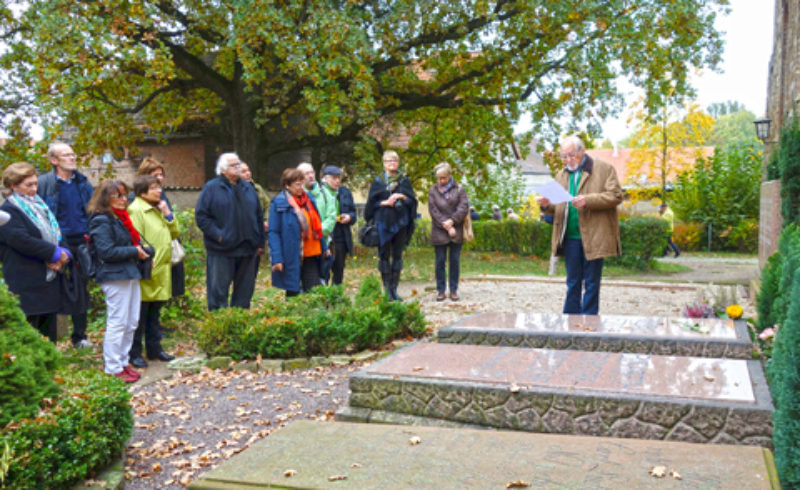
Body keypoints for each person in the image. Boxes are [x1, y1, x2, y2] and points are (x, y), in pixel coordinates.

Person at [538, 135, 622, 315]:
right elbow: (559, 204)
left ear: (582, 151)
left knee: (591, 282)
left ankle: (589, 322)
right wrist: (547, 205)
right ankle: (569, 320)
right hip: (570, 237)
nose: (568, 160)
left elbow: (616, 195)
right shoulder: (562, 174)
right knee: (572, 281)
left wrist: (588, 200)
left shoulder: (604, 169)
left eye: (571, 155)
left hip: (594, 236)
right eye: (564, 156)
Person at [0, 162, 71, 342]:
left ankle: (50, 370)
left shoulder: (41, 206)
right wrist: (54, 253)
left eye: (35, 183)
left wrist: (64, 255)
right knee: (30, 338)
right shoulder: (8, 210)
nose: (34, 188)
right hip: (26, 283)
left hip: (48, 281)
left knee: (49, 338)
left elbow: (57, 233)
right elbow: (21, 240)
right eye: (28, 185)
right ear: (13, 186)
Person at [88, 180, 150, 383]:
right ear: (106, 198)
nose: (125, 200)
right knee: (118, 321)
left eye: (125, 195)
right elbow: (106, 251)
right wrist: (135, 251)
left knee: (131, 321)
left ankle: (123, 362)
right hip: (114, 275)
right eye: (119, 196)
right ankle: (113, 366)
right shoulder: (101, 220)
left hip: (129, 272)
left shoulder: (120, 218)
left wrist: (141, 249)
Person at [37, 141, 94, 349]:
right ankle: (47, 340)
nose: (72, 158)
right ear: (54, 160)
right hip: (56, 243)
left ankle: (80, 336)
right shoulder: (44, 183)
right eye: (66, 155)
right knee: (53, 287)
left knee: (81, 289)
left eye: (73, 154)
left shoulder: (82, 183)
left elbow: (93, 210)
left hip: (81, 242)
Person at [195, 153, 265, 310]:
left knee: (244, 293)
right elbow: (202, 217)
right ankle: (219, 325)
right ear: (223, 170)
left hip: (247, 248)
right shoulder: (212, 188)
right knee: (218, 292)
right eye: (234, 165)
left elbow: (258, 216)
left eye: (238, 164)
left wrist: (260, 241)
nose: (238, 167)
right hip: (222, 249)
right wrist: (219, 236)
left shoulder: (248, 188)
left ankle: (238, 324)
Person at [127, 175, 179, 367]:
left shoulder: (158, 209)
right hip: (148, 269)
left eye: (159, 187)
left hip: (162, 270)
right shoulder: (136, 210)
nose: (159, 191)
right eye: (154, 188)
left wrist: (168, 214)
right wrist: (148, 261)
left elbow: (174, 233)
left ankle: (155, 349)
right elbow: (136, 239)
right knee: (140, 314)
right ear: (142, 192)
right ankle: (135, 353)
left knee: (154, 313)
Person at [268, 168, 330, 296]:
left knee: (314, 292)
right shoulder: (279, 203)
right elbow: (273, 232)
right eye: (297, 184)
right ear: (287, 185)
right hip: (292, 254)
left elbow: (315, 226)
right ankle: (293, 316)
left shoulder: (310, 200)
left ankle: (312, 315)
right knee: (293, 292)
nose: (301, 187)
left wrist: (324, 247)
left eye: (302, 183)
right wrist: (277, 258)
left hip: (312, 253)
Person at [365, 150, 417, 301]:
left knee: (398, 256)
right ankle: (387, 288)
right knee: (384, 256)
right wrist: (385, 202)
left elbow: (412, 201)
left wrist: (401, 196)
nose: (392, 164)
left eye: (394, 161)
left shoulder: (404, 180)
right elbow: (370, 205)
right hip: (383, 223)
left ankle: (395, 288)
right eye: (389, 161)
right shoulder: (378, 181)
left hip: (401, 223)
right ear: (384, 163)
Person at [136, 157, 185, 299]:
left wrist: (168, 215)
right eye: (155, 175)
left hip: (166, 248)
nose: (160, 179)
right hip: (151, 252)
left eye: (161, 175)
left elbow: (173, 228)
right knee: (149, 295)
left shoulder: (161, 195)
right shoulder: (137, 201)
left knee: (166, 291)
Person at [428, 162, 469, 301]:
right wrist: (446, 225)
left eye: (444, 178)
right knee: (440, 262)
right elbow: (433, 210)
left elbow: (463, 207)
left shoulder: (459, 189)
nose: (441, 181)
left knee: (454, 261)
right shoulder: (433, 191)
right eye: (439, 178)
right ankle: (440, 290)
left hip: (456, 230)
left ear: (450, 175)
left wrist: (452, 221)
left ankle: (453, 290)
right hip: (439, 230)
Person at [312, 165, 357, 285]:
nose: (337, 181)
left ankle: (337, 296)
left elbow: (353, 213)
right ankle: (324, 296)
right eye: (334, 178)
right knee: (324, 270)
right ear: (325, 179)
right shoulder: (319, 193)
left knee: (339, 270)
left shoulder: (345, 192)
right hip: (326, 236)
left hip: (341, 235)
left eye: (339, 178)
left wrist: (349, 217)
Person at [241, 162, 270, 232]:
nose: (248, 173)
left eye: (248, 170)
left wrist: (266, 220)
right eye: (243, 172)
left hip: (259, 230)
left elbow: (268, 204)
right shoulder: (232, 190)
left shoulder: (257, 188)